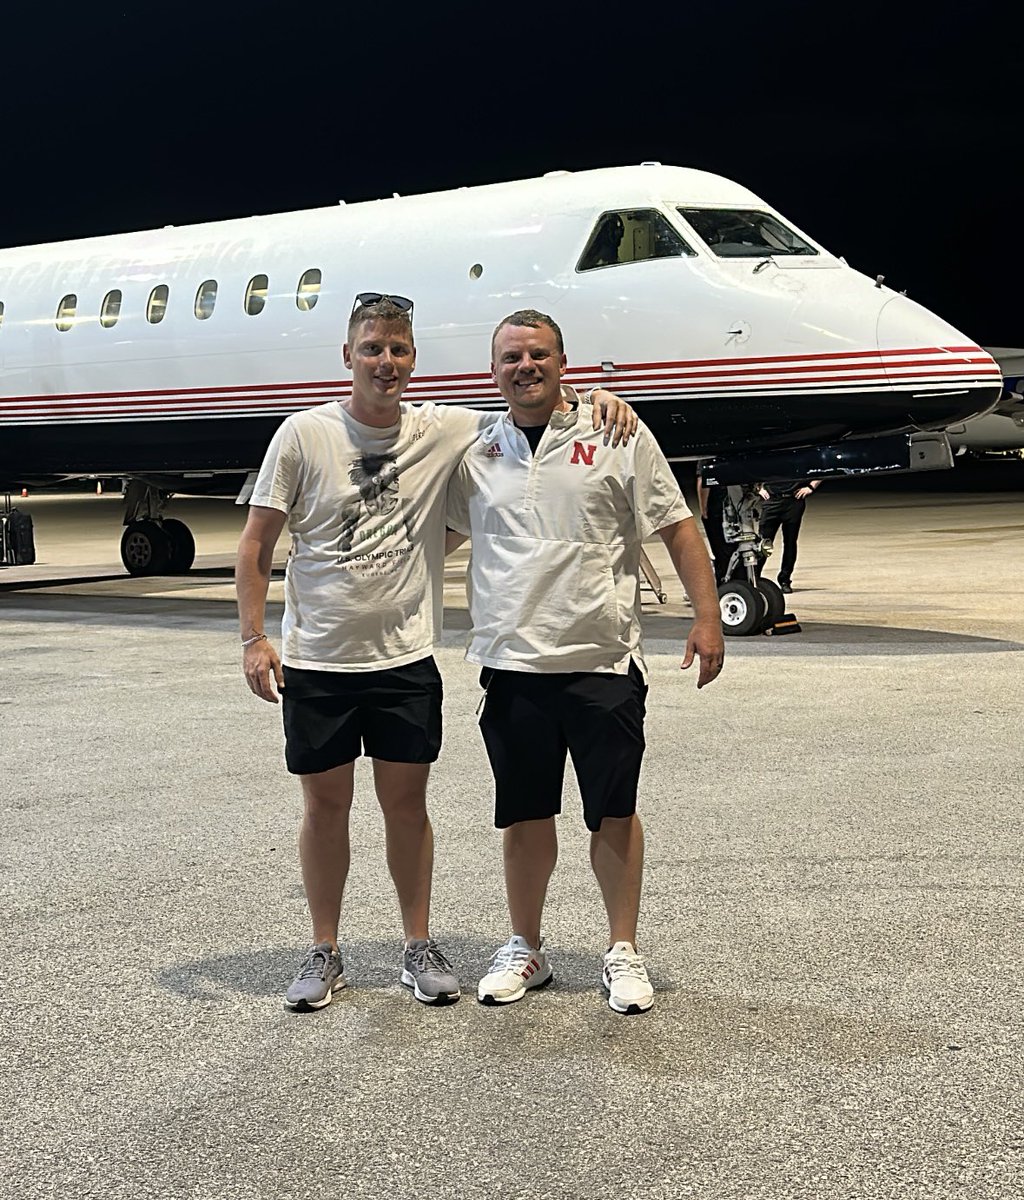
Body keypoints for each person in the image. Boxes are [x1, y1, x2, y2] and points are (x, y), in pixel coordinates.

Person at [235, 292, 636, 1012]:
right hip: (318, 658)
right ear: (347, 355)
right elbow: (257, 542)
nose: (385, 363)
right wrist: (253, 636)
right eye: (371, 349)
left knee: (406, 808)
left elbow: (530, 405)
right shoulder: (302, 435)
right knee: (325, 807)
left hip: (403, 659)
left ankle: (415, 946)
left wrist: (596, 397)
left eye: (398, 350)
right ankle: (324, 950)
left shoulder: (447, 429)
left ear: (413, 358)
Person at [445, 309, 725, 1016]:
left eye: (538, 354)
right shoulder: (476, 448)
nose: (525, 366)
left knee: (614, 814)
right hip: (511, 664)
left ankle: (622, 950)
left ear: (564, 362)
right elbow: (436, 536)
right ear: (494, 370)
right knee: (525, 816)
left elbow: (677, 526)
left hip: (602, 660)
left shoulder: (616, 434)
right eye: (511, 356)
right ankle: (526, 948)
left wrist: (705, 614)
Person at [756, 477, 822, 593]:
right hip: (772, 501)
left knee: (790, 543)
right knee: (762, 543)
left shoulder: (798, 458)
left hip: (794, 501)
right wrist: (758, 488)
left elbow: (820, 471)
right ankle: (755, 577)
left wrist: (811, 487)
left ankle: (785, 579)